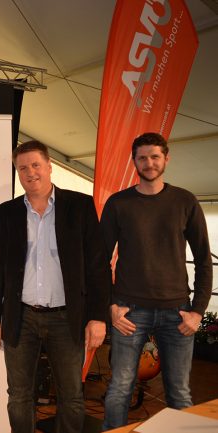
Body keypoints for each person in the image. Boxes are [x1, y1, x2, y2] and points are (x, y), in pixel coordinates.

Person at [0, 140, 111, 433]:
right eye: (23, 168)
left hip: (67, 318)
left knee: (72, 396)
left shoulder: (80, 206)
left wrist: (98, 317)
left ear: (50, 166)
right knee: (19, 396)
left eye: (36, 165)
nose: (30, 172)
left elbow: (98, 267)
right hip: (21, 317)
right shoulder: (6, 212)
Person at [100, 132, 212, 430]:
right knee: (118, 391)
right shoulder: (118, 203)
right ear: (134, 161)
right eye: (142, 158)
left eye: (154, 156)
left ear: (166, 158)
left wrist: (197, 311)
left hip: (177, 313)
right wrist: (111, 305)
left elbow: (204, 259)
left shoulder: (185, 201)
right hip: (128, 312)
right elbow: (99, 261)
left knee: (180, 394)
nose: (149, 163)